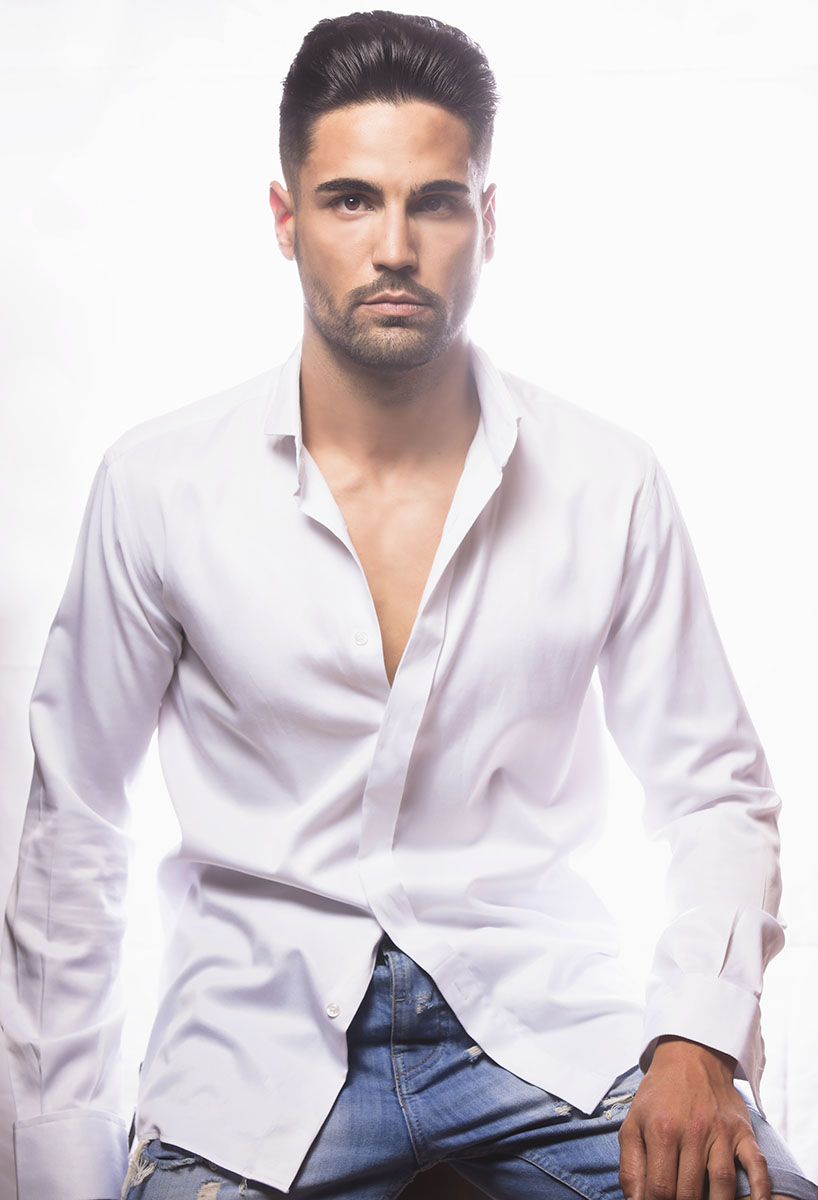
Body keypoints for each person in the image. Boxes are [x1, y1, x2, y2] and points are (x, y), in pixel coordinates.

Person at [0, 10, 813, 1200]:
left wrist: (694, 1035)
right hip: (254, 1057)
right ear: (284, 220)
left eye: (433, 202)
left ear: (487, 220)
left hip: (543, 1025)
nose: (393, 247)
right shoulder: (159, 486)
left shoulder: (605, 479)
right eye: (349, 201)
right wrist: (58, 1170)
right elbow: (72, 833)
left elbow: (711, 789)